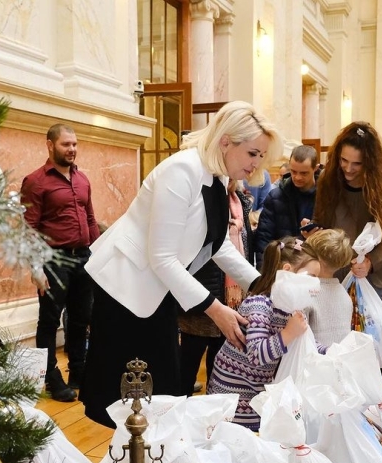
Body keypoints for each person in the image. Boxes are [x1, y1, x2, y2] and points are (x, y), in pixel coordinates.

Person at [81, 101, 282, 427]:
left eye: (261, 156)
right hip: (124, 292)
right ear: (226, 141)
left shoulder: (216, 178)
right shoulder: (182, 171)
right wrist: (216, 310)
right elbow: (162, 256)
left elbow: (217, 247)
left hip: (154, 293)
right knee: (134, 398)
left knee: (161, 395)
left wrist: (268, 286)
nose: (256, 164)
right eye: (253, 154)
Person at [206, 236, 322, 431]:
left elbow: (305, 343)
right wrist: (288, 333)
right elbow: (256, 354)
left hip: (258, 395)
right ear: (287, 271)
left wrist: (330, 352)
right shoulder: (260, 304)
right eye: (311, 277)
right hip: (234, 399)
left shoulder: (293, 309)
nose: (315, 285)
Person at [21, 124, 101, 403]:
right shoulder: (36, 181)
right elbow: (28, 228)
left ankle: (78, 371)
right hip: (53, 260)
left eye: (75, 144)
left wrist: (96, 253)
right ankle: (50, 378)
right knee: (50, 321)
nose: (72, 149)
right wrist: (35, 268)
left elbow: (90, 218)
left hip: (83, 257)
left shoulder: (82, 179)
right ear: (50, 145)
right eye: (66, 144)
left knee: (81, 319)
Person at [179, 179, 255, 396]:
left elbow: (246, 245)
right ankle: (178, 407)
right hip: (203, 290)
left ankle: (214, 411)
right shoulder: (200, 200)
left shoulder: (239, 202)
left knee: (219, 360)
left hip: (231, 296)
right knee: (189, 358)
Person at [313, 121, 382, 290]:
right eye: (344, 160)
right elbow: (320, 223)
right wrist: (313, 232)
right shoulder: (327, 180)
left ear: (371, 163)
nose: (348, 168)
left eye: (357, 164)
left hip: (373, 279)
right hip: (333, 278)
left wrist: (371, 261)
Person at [255, 145, 320, 266]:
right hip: (283, 266)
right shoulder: (275, 197)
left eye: (304, 173)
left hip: (316, 266)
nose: (297, 177)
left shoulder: (327, 196)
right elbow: (263, 241)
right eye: (293, 171)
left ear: (315, 168)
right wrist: (264, 276)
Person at [302, 228, 355, 346]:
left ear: (318, 260)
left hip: (315, 360)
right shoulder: (343, 293)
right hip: (341, 359)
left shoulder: (307, 292)